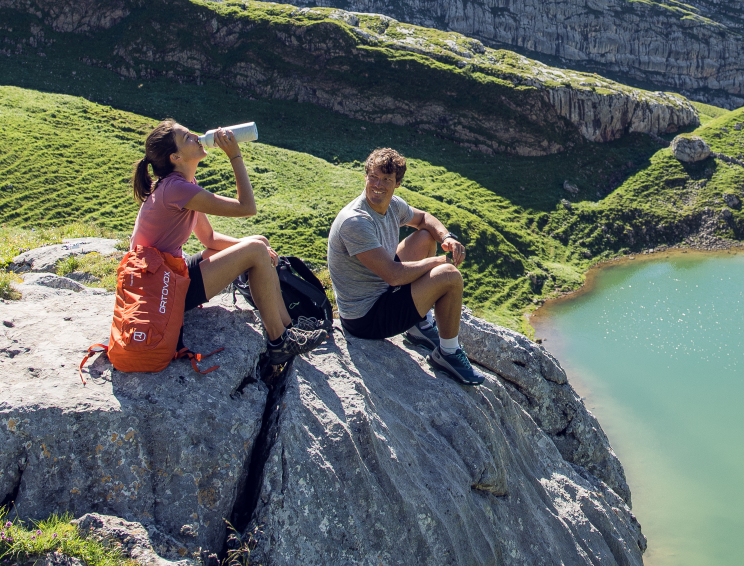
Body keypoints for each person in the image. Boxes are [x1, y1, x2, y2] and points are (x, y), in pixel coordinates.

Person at [132, 119, 318, 373]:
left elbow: (208, 238)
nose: (196, 136)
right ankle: (278, 342)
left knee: (258, 244)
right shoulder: (176, 189)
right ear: (175, 157)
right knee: (255, 250)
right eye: (187, 137)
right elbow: (246, 207)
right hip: (160, 290)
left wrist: (254, 245)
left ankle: (288, 329)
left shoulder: (182, 185)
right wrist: (234, 156)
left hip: (166, 274)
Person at [325, 147, 484, 386]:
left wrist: (446, 237)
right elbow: (394, 275)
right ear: (365, 176)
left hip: (382, 289)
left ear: (397, 183)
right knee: (449, 276)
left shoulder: (392, 205)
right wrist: (440, 261)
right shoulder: (356, 221)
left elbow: (424, 219)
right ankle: (448, 353)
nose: (377, 185)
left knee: (426, 236)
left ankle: (420, 325)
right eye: (373, 177)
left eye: (386, 180)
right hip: (365, 317)